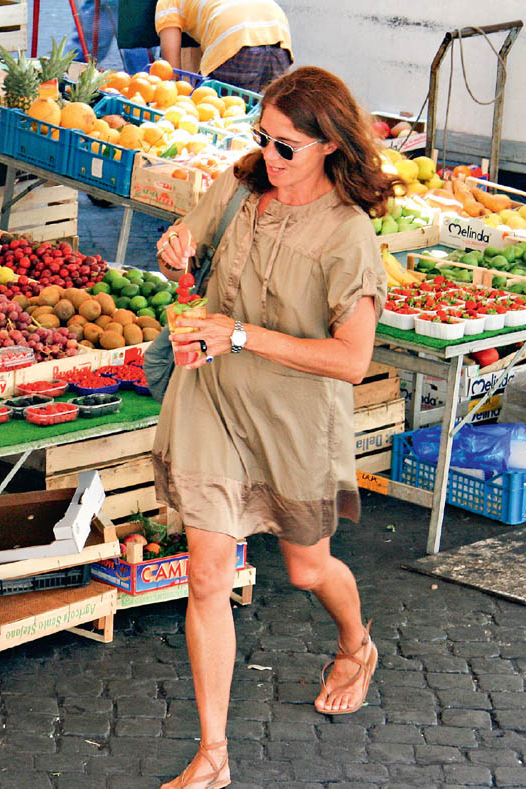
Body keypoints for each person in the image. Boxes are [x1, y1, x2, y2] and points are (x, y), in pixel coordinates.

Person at [151, 66, 394, 788]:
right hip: (213, 398)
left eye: (287, 145)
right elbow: (189, 256)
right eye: (263, 138)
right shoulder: (242, 185)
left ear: (328, 145)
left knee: (306, 567)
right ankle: (214, 755)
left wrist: (243, 336)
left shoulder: (349, 235)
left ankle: (357, 643)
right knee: (206, 572)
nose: (271, 155)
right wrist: (176, 255)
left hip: (294, 418)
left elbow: (352, 361)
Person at [155, 0, 291, 93]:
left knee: (219, 115)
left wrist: (172, 91)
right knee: (268, 116)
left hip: (237, 35)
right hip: (278, 34)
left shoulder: (167, 2)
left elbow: (170, 69)